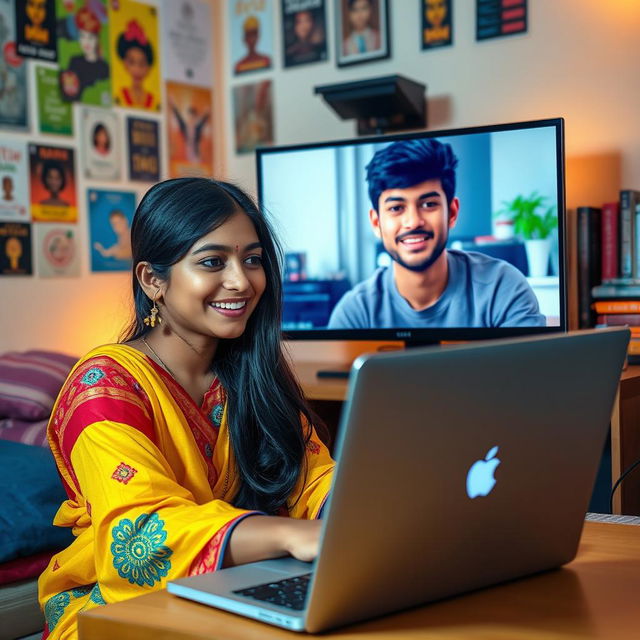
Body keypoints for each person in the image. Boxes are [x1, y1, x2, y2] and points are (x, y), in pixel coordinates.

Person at [38, 178, 334, 639]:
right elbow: (139, 535)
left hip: (236, 589)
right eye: (213, 261)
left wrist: (354, 514)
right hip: (119, 611)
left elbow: (313, 478)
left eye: (252, 259)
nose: (241, 281)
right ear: (152, 280)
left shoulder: (253, 374)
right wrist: (287, 534)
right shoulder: (102, 386)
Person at [328, 138, 547, 329]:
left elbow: (530, 373)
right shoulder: (355, 312)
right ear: (376, 223)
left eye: (428, 204)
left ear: (451, 212)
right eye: (396, 208)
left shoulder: (502, 288)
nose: (413, 222)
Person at [59, 6, 109, 101]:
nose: (86, 42)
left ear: (97, 39)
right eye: (82, 36)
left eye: (90, 37)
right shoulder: (74, 61)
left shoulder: (104, 68)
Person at [116, 19, 155, 109]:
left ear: (148, 68)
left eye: (142, 64)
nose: (137, 70)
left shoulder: (153, 100)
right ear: (125, 64)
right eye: (132, 62)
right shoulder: (120, 95)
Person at [168, 96, 210, 164]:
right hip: (186, 153)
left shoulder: (197, 128)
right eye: (189, 117)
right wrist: (173, 104)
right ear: (188, 116)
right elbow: (178, 118)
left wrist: (207, 112)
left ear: (195, 118)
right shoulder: (185, 127)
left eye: (193, 118)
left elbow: (203, 121)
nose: (191, 119)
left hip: (196, 154)